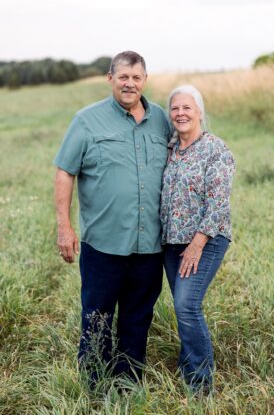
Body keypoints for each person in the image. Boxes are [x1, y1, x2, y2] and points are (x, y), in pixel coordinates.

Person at [54, 50, 171, 386]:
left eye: (136, 78)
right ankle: (93, 386)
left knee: (137, 319)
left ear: (144, 80)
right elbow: (65, 172)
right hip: (103, 246)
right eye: (123, 77)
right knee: (96, 319)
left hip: (148, 245)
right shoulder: (87, 121)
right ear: (110, 80)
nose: (129, 84)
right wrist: (64, 227)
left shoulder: (162, 120)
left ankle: (128, 383)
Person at [160, 84, 235, 396]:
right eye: (175, 108)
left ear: (200, 112)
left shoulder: (216, 150)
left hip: (205, 240)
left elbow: (219, 202)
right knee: (182, 307)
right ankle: (188, 363)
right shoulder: (169, 149)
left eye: (187, 108)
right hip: (170, 242)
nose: (180, 114)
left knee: (187, 305)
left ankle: (201, 386)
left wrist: (197, 243)